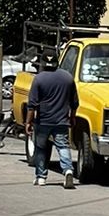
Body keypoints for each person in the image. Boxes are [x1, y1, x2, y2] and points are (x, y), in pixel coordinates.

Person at [25, 51, 78, 188]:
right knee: (63, 146)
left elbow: (32, 105)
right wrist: (72, 117)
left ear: (42, 63)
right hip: (61, 121)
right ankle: (67, 170)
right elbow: (74, 102)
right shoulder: (68, 78)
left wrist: (28, 122)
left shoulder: (39, 79)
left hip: (43, 122)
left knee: (41, 148)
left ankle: (41, 177)